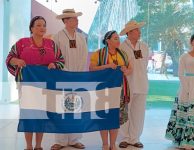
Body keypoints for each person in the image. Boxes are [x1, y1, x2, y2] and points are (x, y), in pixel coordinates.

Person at [5, 16, 64, 150]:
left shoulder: (51, 44)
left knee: (41, 114)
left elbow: (61, 60)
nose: (42, 28)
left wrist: (54, 64)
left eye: (44, 25)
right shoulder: (22, 43)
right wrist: (17, 61)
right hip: (27, 83)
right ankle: (28, 146)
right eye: (38, 25)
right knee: (29, 114)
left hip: (45, 85)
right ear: (31, 28)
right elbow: (9, 58)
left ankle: (38, 145)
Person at [51, 9, 88, 150]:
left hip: (77, 76)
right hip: (61, 76)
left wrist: (78, 74)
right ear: (65, 21)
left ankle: (74, 139)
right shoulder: (58, 37)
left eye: (76, 18)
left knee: (76, 107)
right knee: (61, 107)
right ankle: (60, 140)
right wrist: (64, 72)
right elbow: (55, 57)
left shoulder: (81, 37)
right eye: (73, 18)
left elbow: (84, 57)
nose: (76, 20)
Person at [89, 30, 132, 150]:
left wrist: (125, 70)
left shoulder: (123, 54)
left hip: (119, 89)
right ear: (107, 41)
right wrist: (107, 66)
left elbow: (130, 69)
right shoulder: (99, 54)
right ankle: (105, 143)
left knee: (115, 117)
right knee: (104, 116)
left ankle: (113, 144)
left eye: (118, 38)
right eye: (115, 38)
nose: (118, 40)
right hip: (103, 89)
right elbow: (91, 68)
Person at [118, 20, 149, 149]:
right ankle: (125, 138)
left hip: (141, 84)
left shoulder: (144, 46)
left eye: (139, 29)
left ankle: (135, 138)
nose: (139, 32)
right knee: (125, 111)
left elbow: (144, 64)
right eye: (136, 30)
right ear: (129, 33)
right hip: (127, 85)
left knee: (139, 112)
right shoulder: (122, 47)